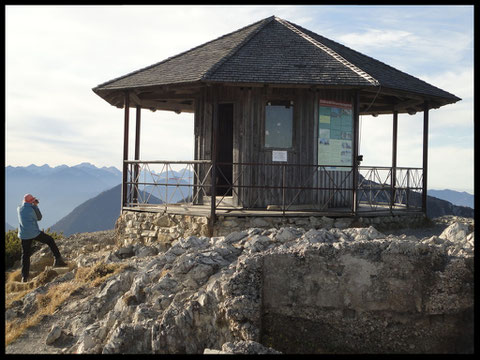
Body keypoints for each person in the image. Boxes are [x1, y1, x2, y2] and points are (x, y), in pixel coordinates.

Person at [17, 194, 67, 282]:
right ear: (31, 202)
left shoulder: (19, 209)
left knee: (25, 255)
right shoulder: (32, 209)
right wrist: (35, 206)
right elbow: (39, 218)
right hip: (34, 233)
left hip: (24, 235)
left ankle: (24, 277)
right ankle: (58, 260)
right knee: (50, 240)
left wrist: (31, 204)